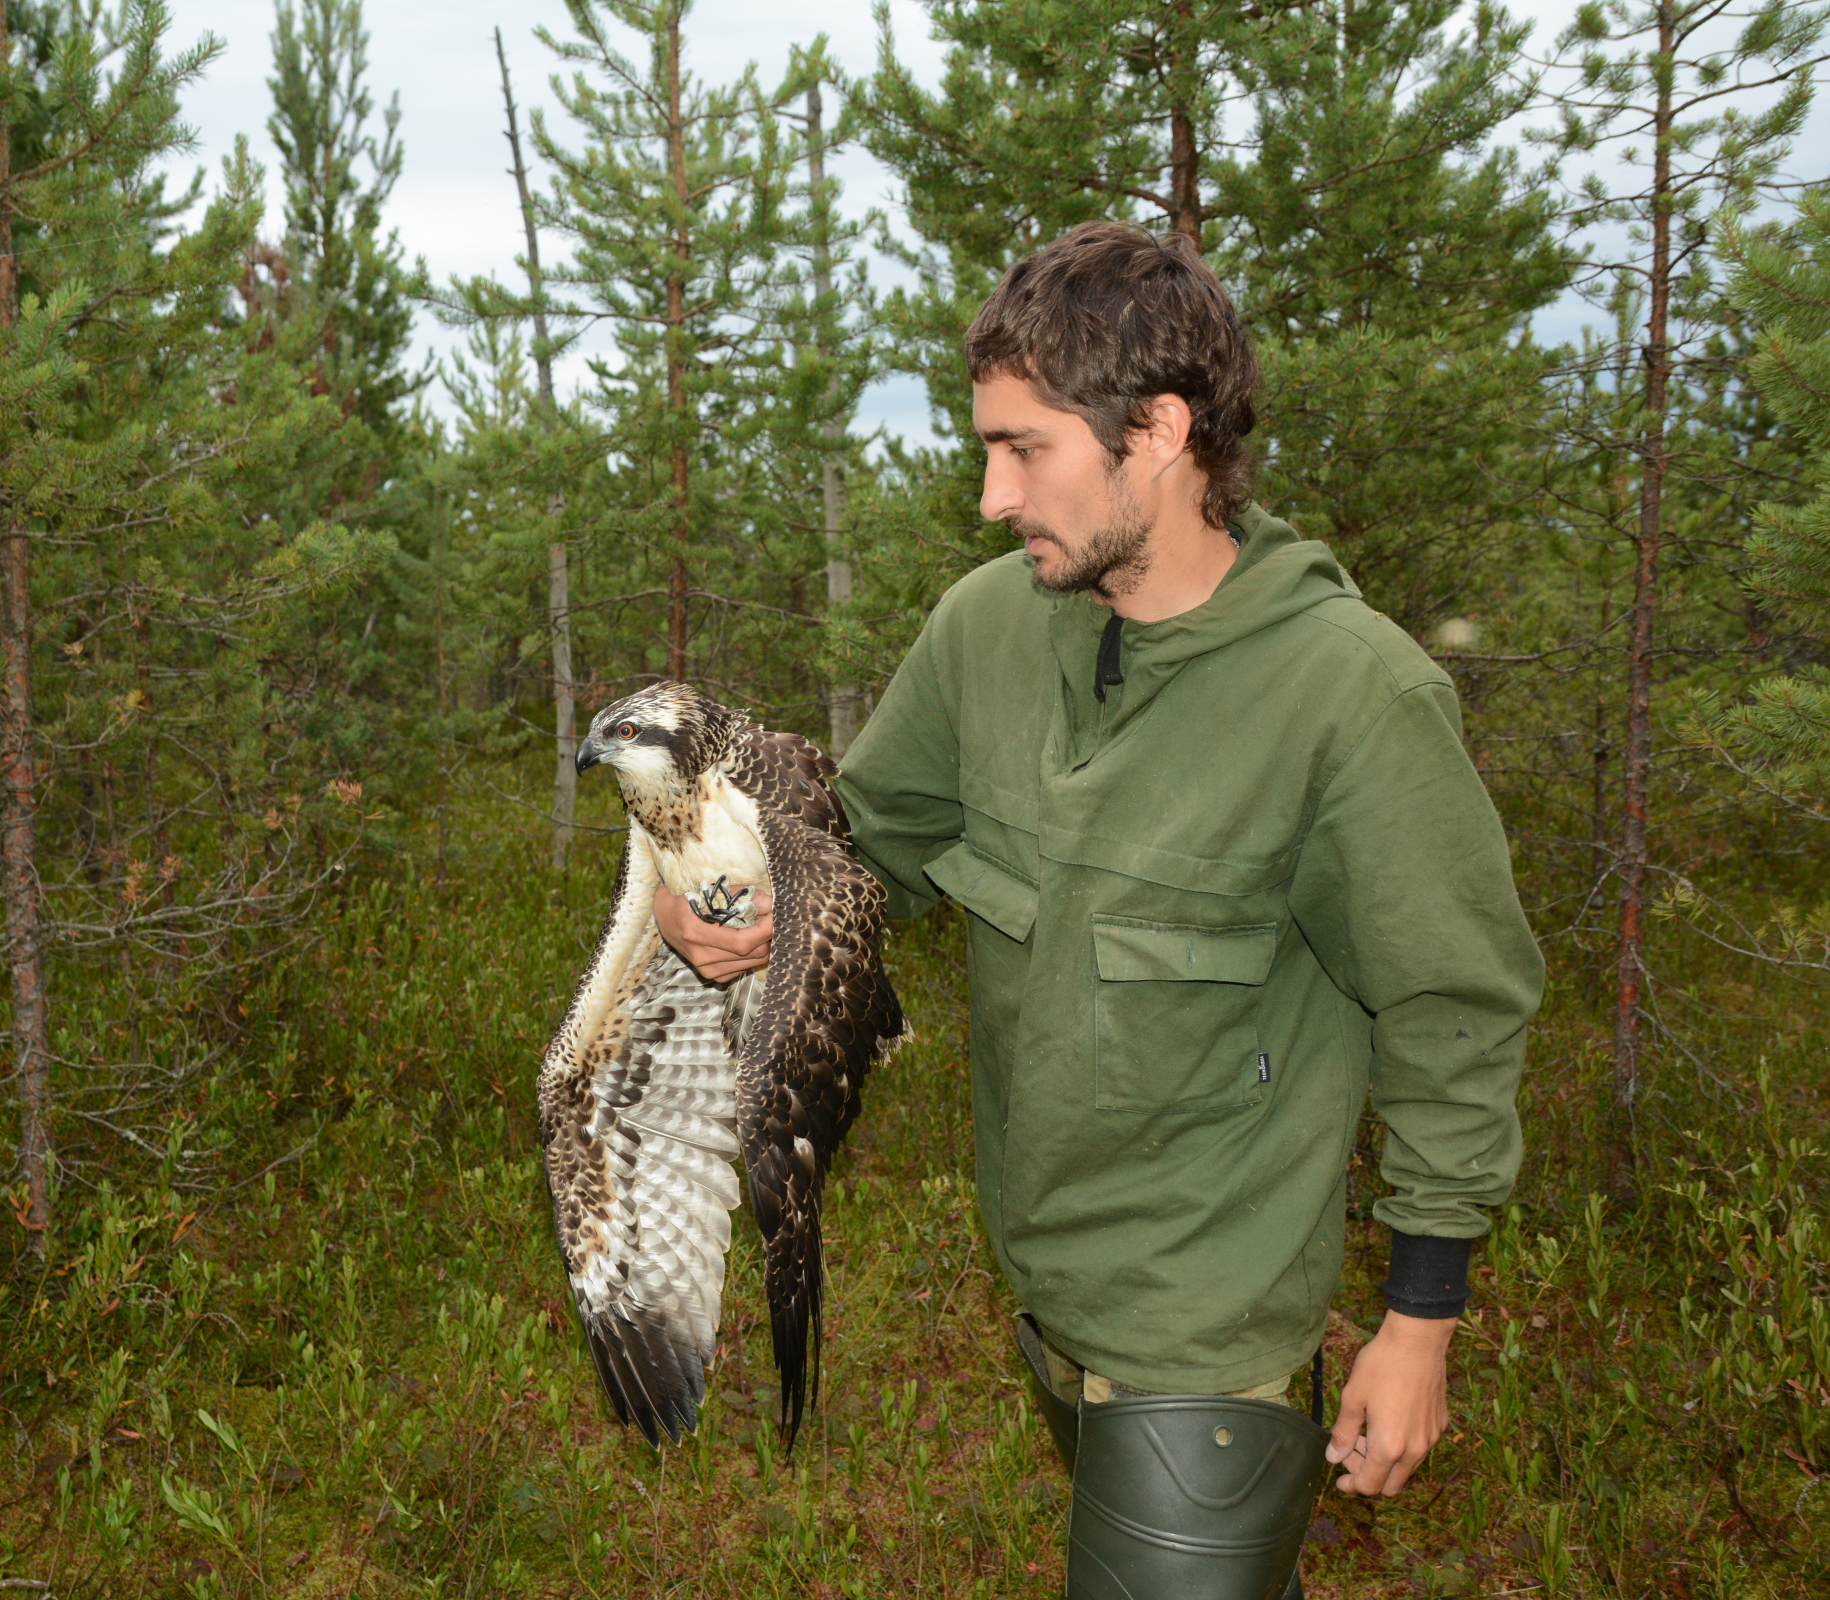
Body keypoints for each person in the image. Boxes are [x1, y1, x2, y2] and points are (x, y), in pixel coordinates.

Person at [653, 221, 1543, 1599]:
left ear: (1161, 431)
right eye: (987, 449)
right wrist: (728, 901)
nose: (993, 498)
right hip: (1049, 1284)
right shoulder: (987, 633)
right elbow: (865, 840)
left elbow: (1453, 1012)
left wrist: (1418, 1322)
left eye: (1026, 450)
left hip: (1208, 1325)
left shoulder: (1351, 701)